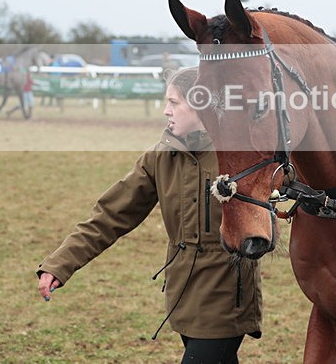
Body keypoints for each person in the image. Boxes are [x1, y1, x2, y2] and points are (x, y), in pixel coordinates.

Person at [36, 67, 262, 363]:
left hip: (227, 293)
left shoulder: (241, 154)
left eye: (174, 102)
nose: (166, 111)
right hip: (182, 290)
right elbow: (110, 215)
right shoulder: (158, 157)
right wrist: (59, 265)